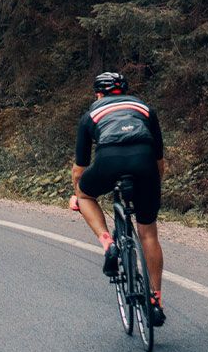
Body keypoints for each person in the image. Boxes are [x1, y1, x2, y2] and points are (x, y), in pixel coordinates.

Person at [71, 71, 167, 326]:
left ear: (98, 94)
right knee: (148, 233)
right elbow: (159, 161)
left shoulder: (90, 114)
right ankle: (155, 300)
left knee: (84, 193)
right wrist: (152, 185)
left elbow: (79, 170)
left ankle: (108, 243)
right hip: (145, 163)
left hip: (108, 159)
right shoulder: (145, 109)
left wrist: (76, 195)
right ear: (125, 92)